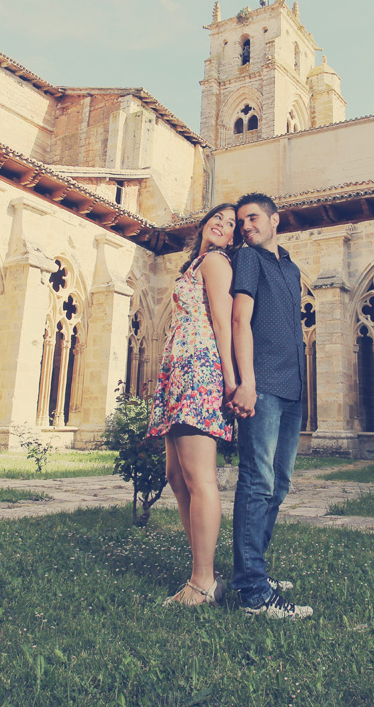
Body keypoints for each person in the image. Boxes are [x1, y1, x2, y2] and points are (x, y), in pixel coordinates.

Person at [148, 203, 239, 606]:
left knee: (199, 477)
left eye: (231, 224)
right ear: (204, 225)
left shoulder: (217, 262)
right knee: (175, 475)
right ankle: (204, 569)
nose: (222, 225)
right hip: (180, 369)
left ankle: (202, 583)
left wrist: (231, 378)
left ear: (232, 238)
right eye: (217, 218)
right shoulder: (197, 263)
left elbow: (223, 320)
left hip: (200, 368)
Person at [228, 193, 312, 619]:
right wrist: (246, 382)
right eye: (242, 221)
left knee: (279, 485)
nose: (246, 226)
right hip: (262, 385)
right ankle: (253, 592)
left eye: (253, 218)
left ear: (275, 220)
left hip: (293, 387)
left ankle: (251, 570)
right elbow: (240, 319)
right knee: (257, 482)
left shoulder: (292, 268)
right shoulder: (249, 260)